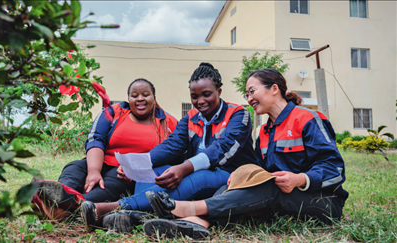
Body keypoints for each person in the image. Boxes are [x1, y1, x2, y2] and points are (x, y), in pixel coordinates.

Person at [142, 68, 349, 240]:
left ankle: (185, 209)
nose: (249, 99)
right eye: (246, 94)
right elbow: (262, 170)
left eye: (252, 91)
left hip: (323, 201)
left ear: (274, 89)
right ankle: (198, 223)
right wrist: (242, 176)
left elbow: (335, 169)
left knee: (269, 188)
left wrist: (300, 179)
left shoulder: (307, 118)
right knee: (231, 185)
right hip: (283, 200)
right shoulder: (265, 132)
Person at [80, 62, 257, 232]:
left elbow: (221, 149)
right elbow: (173, 145)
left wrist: (184, 168)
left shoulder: (238, 114)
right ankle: (136, 216)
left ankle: (115, 207)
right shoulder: (191, 116)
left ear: (219, 92)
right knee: (152, 169)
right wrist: (138, 163)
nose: (200, 101)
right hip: (193, 170)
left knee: (199, 176)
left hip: (230, 173)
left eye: (207, 94)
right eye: (194, 97)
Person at [31, 78, 177, 221]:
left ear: (154, 98)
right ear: (128, 99)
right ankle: (54, 197)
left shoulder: (167, 122)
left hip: (127, 172)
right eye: (134, 95)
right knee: (73, 168)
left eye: (145, 95)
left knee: (110, 186)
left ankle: (58, 209)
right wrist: (94, 171)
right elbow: (96, 138)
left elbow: (176, 150)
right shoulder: (114, 112)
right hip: (100, 161)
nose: (140, 99)